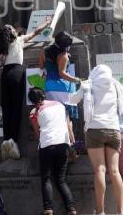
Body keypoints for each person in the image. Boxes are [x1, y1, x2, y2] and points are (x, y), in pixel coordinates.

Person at [70, 64, 123, 215]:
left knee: (100, 170)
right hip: (114, 129)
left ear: (94, 73)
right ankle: (121, 211)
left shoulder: (89, 85)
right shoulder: (115, 86)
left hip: (95, 129)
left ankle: (100, 211)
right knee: (115, 171)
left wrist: (78, 87)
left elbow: (73, 100)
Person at [0, 18, 51, 160]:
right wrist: (47, 22)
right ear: (11, 33)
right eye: (12, 28)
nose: (14, 29)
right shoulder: (18, 41)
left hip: (5, 75)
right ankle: (13, 141)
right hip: (17, 73)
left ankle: (6, 140)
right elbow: (36, 32)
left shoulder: (2, 47)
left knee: (6, 109)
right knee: (16, 108)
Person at [28, 87, 77, 215]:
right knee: (61, 180)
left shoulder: (34, 112)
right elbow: (68, 126)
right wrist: (72, 144)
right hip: (63, 144)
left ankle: (48, 209)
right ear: (43, 95)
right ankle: (71, 209)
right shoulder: (60, 105)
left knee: (46, 179)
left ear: (32, 100)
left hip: (46, 146)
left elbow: (37, 133)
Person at [39, 31, 81, 154]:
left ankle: (62, 145)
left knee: (56, 117)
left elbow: (41, 66)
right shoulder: (63, 55)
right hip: (64, 89)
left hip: (49, 87)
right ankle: (72, 146)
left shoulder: (44, 51)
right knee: (67, 119)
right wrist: (77, 80)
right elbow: (62, 73)